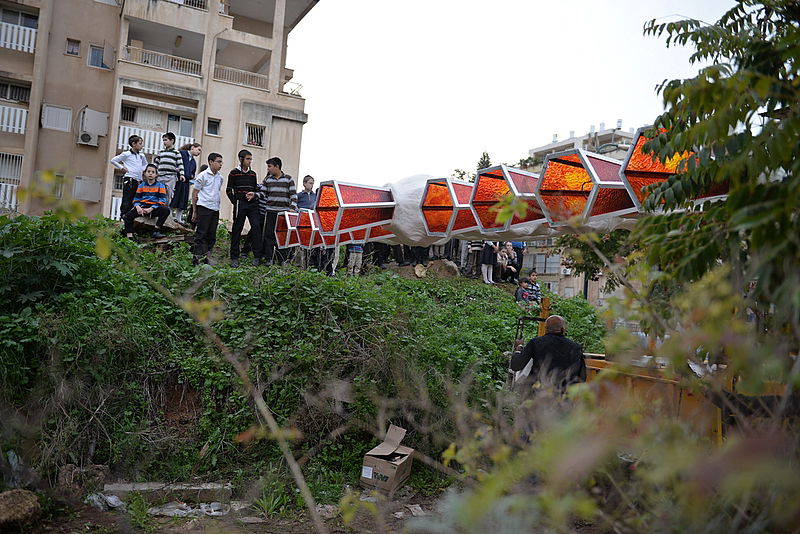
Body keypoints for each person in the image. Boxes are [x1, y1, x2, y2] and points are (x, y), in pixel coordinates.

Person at [510, 315, 586, 394]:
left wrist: (518, 349)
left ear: (545, 329)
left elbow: (516, 366)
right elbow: (582, 377)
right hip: (563, 397)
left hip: (537, 395)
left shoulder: (535, 343)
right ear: (563, 329)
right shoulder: (576, 347)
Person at [226, 149, 264, 267]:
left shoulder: (253, 174)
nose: (250, 161)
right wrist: (235, 202)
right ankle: (234, 257)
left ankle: (257, 256)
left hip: (252, 204)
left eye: (251, 159)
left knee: (256, 228)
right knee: (237, 230)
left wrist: (253, 196)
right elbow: (228, 190)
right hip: (240, 204)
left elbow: (254, 188)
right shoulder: (233, 173)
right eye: (248, 159)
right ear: (241, 159)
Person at [257, 157, 297, 265]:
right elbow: (263, 193)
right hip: (270, 212)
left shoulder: (288, 179)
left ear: (277, 166)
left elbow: (293, 195)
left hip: (283, 213)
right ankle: (269, 259)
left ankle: (282, 259)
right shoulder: (268, 180)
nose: (268, 169)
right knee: (269, 235)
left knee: (282, 236)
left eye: (270, 166)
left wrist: (292, 209)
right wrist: (254, 195)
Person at [120, 163, 170, 239]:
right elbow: (136, 199)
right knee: (127, 216)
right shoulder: (141, 185)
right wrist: (138, 207)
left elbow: (162, 200)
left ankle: (156, 231)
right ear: (145, 173)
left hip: (153, 208)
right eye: (148, 171)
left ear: (156, 175)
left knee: (166, 210)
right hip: (142, 207)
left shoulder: (160, 185)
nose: (150, 173)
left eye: (153, 172)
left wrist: (151, 208)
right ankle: (129, 237)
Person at [191, 153, 224, 266]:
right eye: (218, 161)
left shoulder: (220, 177)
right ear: (211, 162)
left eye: (221, 162)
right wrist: (194, 211)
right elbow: (195, 193)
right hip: (204, 207)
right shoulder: (202, 175)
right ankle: (197, 258)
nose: (221, 164)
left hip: (215, 208)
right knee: (201, 234)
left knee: (212, 234)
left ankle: (207, 257)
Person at [111, 134, 148, 216]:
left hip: (139, 179)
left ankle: (133, 214)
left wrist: (142, 170)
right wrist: (122, 168)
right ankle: (124, 214)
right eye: (140, 143)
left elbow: (145, 164)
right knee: (127, 197)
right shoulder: (126, 154)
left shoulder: (141, 155)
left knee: (136, 197)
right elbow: (113, 160)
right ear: (134, 144)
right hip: (129, 178)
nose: (142, 146)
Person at [172, 142, 201, 224]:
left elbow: (193, 173)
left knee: (183, 199)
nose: (199, 152)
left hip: (186, 182)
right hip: (178, 180)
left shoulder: (193, 162)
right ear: (192, 148)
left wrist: (191, 176)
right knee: (174, 197)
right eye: (198, 149)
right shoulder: (182, 153)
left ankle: (179, 218)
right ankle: (170, 215)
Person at [154, 132, 185, 206]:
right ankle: (157, 207)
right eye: (163, 140)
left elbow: (180, 164)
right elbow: (156, 164)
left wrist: (181, 174)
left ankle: (165, 208)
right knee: (158, 192)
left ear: (172, 140)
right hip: (160, 176)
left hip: (170, 176)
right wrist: (154, 173)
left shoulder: (176, 153)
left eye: (166, 140)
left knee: (168, 193)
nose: (164, 142)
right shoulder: (161, 152)